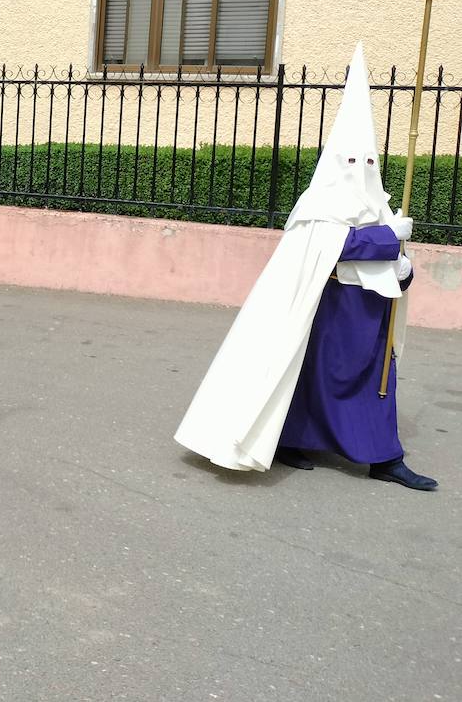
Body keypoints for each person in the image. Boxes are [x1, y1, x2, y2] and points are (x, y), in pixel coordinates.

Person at [175, 44, 436, 490]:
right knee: (308, 372)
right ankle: (292, 440)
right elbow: (333, 243)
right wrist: (387, 239)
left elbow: (395, 260)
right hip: (328, 306)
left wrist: (402, 263)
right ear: (336, 162)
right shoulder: (319, 202)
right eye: (352, 161)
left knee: (376, 381)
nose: (361, 169)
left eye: (368, 161)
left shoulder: (382, 206)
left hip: (370, 312)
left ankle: (382, 457)